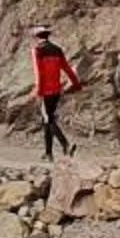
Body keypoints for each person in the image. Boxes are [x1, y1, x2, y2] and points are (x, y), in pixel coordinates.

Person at [32, 26, 82, 160]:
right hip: (56, 90)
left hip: (45, 90)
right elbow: (67, 68)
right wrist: (76, 84)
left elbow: (39, 73)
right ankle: (48, 153)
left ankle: (65, 144)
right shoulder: (57, 50)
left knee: (48, 119)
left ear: (37, 38)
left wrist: (38, 91)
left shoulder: (37, 51)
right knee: (47, 119)